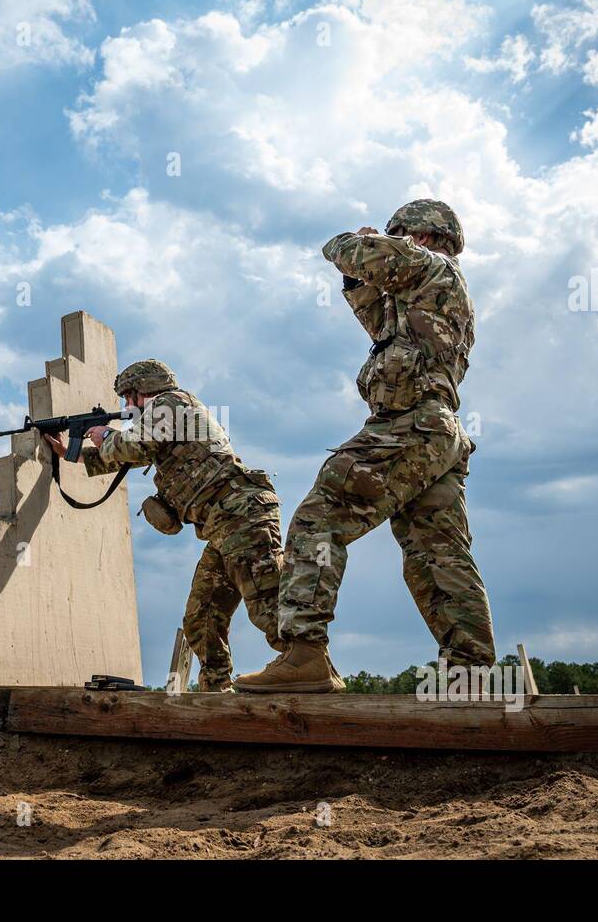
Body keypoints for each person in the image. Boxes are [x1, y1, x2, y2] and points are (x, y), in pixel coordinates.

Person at [235, 199, 495, 694]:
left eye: (403, 234)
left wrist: (344, 242)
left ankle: (304, 653)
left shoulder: (434, 266)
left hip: (410, 424)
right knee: (437, 552)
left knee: (320, 517)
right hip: (433, 433)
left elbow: (365, 255)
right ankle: (471, 672)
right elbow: (377, 318)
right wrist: (357, 282)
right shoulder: (427, 293)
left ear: (423, 236)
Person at [44, 359, 286, 692]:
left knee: (267, 602)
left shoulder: (172, 403)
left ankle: (305, 667)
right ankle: (216, 689)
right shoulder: (163, 417)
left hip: (242, 516)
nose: (128, 407)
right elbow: (135, 452)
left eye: (130, 398)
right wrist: (72, 454)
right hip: (222, 527)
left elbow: (133, 446)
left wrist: (101, 434)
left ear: (145, 389)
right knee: (201, 618)